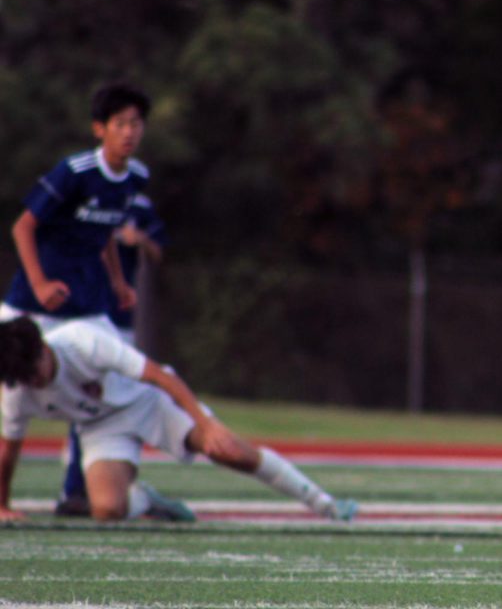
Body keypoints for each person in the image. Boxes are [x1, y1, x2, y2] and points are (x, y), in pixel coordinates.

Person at [0, 315, 357, 523]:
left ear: (43, 348)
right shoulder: (17, 387)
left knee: (230, 451)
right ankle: (149, 502)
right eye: (22, 378)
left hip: (147, 401)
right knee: (108, 510)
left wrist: (207, 424)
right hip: (100, 427)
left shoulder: (82, 341)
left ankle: (324, 504)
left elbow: (160, 377)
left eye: (33, 371)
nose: (33, 382)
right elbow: (9, 450)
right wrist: (2, 506)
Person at [1, 82, 153, 516]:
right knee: (9, 400)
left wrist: (119, 282)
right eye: (120, 123)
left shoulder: (137, 176)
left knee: (104, 388)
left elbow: (103, 232)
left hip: (85, 302)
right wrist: (41, 282)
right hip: (31, 303)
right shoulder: (75, 170)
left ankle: (76, 492)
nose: (129, 132)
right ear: (99, 128)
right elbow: (22, 227)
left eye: (136, 123)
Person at [109, 193, 166, 349]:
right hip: (81, 299)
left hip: (120, 305)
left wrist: (140, 238)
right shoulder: (81, 195)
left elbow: (157, 252)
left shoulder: (139, 205)